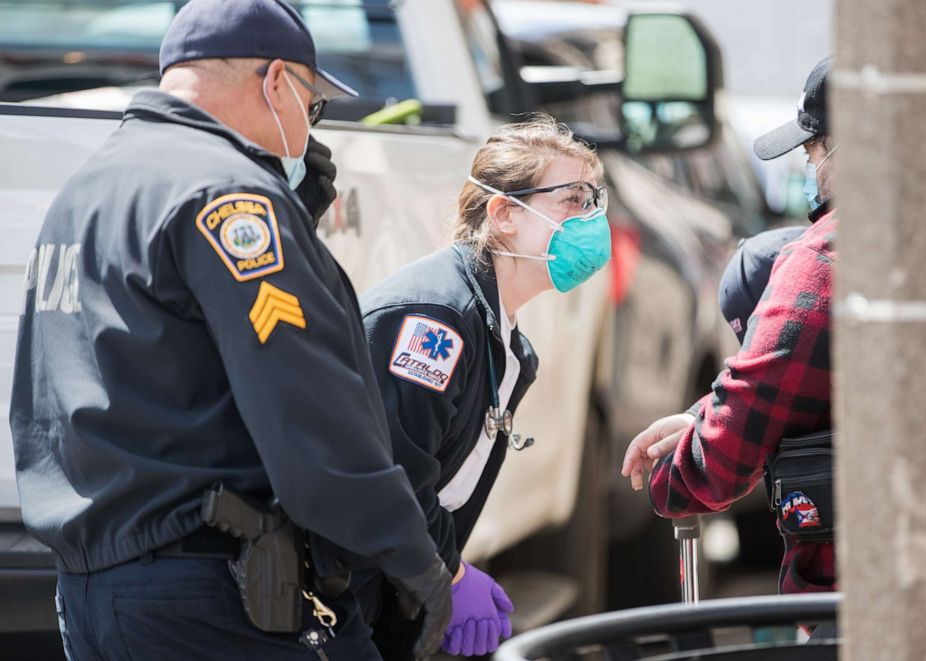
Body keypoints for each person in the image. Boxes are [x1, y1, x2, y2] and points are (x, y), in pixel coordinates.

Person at [9, 1, 452, 658]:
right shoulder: (230, 196)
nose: (307, 128)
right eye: (311, 103)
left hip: (91, 591)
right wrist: (413, 557)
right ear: (276, 82)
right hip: (217, 595)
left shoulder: (86, 190)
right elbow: (310, 408)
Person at [354, 115, 611, 658]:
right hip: (343, 598)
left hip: (385, 593)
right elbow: (391, 476)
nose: (590, 221)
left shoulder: (504, 337)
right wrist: (448, 577)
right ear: (504, 215)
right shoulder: (434, 320)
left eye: (594, 203)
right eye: (571, 201)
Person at [621, 56, 838, 596]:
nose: (813, 171)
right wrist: (699, 418)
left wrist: (674, 473)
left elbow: (738, 433)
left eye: (813, 153)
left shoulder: (827, 257)